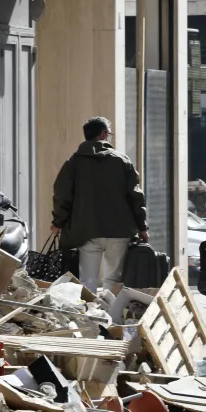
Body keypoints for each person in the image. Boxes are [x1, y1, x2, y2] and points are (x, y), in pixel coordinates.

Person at [51, 117, 148, 293]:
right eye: (109, 133)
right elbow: (136, 196)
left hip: (86, 231)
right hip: (119, 230)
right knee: (113, 279)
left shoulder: (73, 163)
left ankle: (92, 318)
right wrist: (142, 227)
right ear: (103, 134)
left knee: (88, 280)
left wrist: (58, 222)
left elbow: (62, 195)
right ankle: (111, 316)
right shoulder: (122, 160)